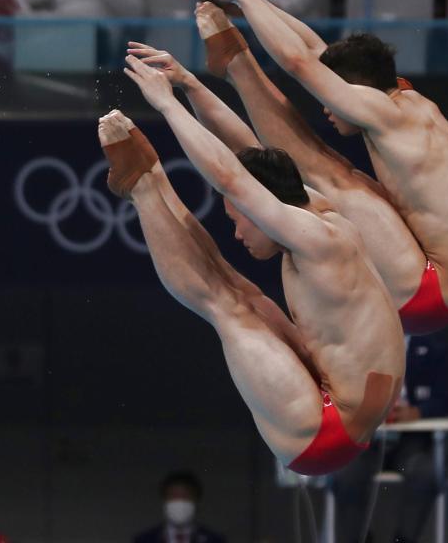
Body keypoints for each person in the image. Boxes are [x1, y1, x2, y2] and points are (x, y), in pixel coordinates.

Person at [110, 54, 405, 475]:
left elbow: (230, 178)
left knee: (226, 306)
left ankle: (142, 187)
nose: (237, 234)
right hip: (354, 409)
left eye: (238, 220)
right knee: (247, 295)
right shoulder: (318, 211)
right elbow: (245, 153)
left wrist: (167, 104)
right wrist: (190, 83)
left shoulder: (317, 240)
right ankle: (151, 175)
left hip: (324, 433)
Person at [178, 0, 448, 335]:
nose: (327, 107)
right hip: (436, 274)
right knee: (339, 173)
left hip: (427, 292)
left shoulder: (387, 115)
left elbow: (300, 63)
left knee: (328, 177)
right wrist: (251, 4)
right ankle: (236, 63)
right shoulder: (405, 99)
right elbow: (316, 51)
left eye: (334, 96)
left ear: (357, 88)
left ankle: (238, 67)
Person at [332, 333, 448, 543]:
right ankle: (358, 539)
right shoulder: (359, 348)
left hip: (411, 443)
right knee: (347, 475)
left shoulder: (434, 349)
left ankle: (403, 540)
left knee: (425, 473)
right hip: (368, 441)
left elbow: (446, 400)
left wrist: (418, 412)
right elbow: (342, 395)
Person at [132, 471, 226, 543]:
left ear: (196, 501)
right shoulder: (144, 540)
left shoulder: (214, 540)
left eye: (185, 497)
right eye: (173, 496)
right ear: (164, 501)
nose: (179, 502)